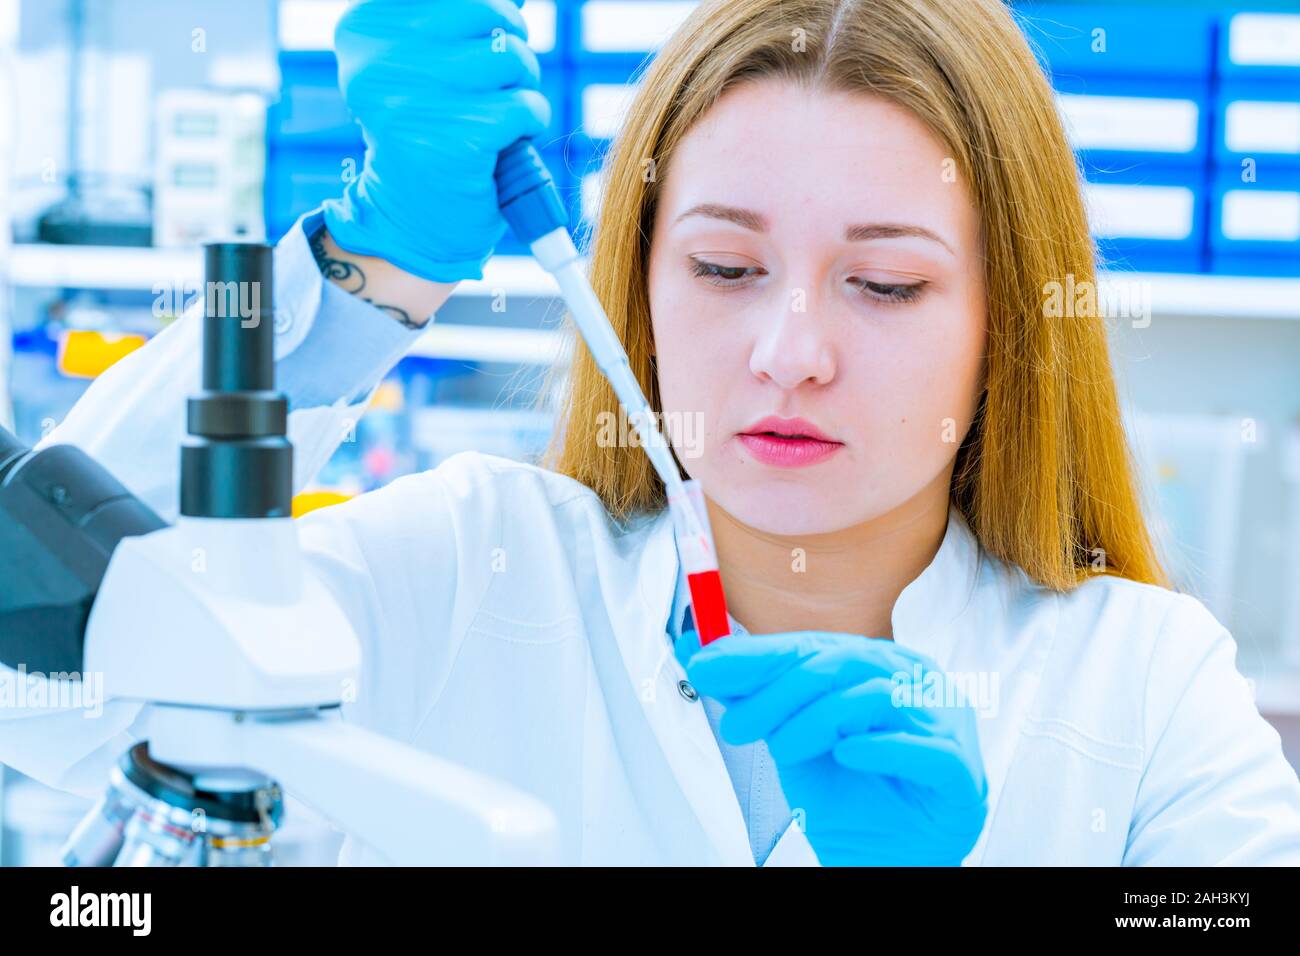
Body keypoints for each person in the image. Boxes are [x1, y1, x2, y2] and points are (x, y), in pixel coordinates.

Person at [3, 0, 1299, 866]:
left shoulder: (1147, 690)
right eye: (726, 269)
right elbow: (54, 683)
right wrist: (379, 263)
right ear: (639, 290)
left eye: (886, 284)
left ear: (1006, 321)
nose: (790, 351)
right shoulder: (470, 569)